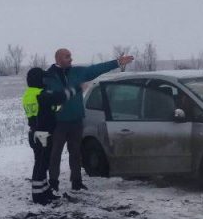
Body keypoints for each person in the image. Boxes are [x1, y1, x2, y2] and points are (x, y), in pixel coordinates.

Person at [45, 48, 134, 192]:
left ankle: (76, 182)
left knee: (75, 153)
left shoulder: (77, 72)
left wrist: (117, 62)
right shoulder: (49, 77)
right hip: (58, 123)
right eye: (67, 57)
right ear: (58, 59)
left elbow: (96, 69)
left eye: (70, 56)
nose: (71, 59)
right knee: (55, 154)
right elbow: (46, 98)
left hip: (76, 121)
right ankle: (53, 183)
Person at [22, 67, 71, 204]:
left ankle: (45, 191)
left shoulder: (29, 94)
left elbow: (46, 109)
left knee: (42, 163)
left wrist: (55, 109)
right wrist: (74, 89)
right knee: (41, 165)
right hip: (42, 134)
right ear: (38, 80)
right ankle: (38, 196)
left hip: (36, 132)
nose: (45, 81)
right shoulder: (41, 94)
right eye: (43, 78)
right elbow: (60, 97)